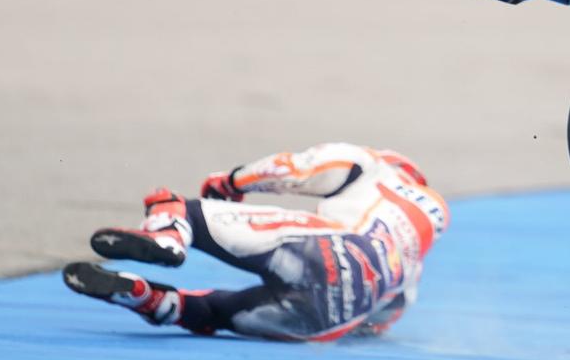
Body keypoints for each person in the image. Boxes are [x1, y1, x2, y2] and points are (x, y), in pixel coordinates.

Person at [62, 143, 448, 342]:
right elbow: (381, 320)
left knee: (181, 208)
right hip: (335, 317)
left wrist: (232, 182)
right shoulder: (413, 257)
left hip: (327, 249)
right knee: (213, 312)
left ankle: (170, 238)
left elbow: (293, 170)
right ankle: (146, 297)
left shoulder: (372, 167)